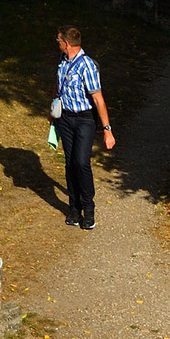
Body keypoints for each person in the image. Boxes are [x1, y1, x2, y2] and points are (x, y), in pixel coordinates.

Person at [54, 22, 114, 229]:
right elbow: (60, 89)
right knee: (70, 164)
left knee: (81, 163)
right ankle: (74, 208)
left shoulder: (86, 65)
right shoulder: (62, 61)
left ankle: (88, 209)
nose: (58, 43)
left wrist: (107, 131)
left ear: (67, 42)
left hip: (85, 120)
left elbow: (98, 99)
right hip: (65, 119)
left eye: (59, 40)